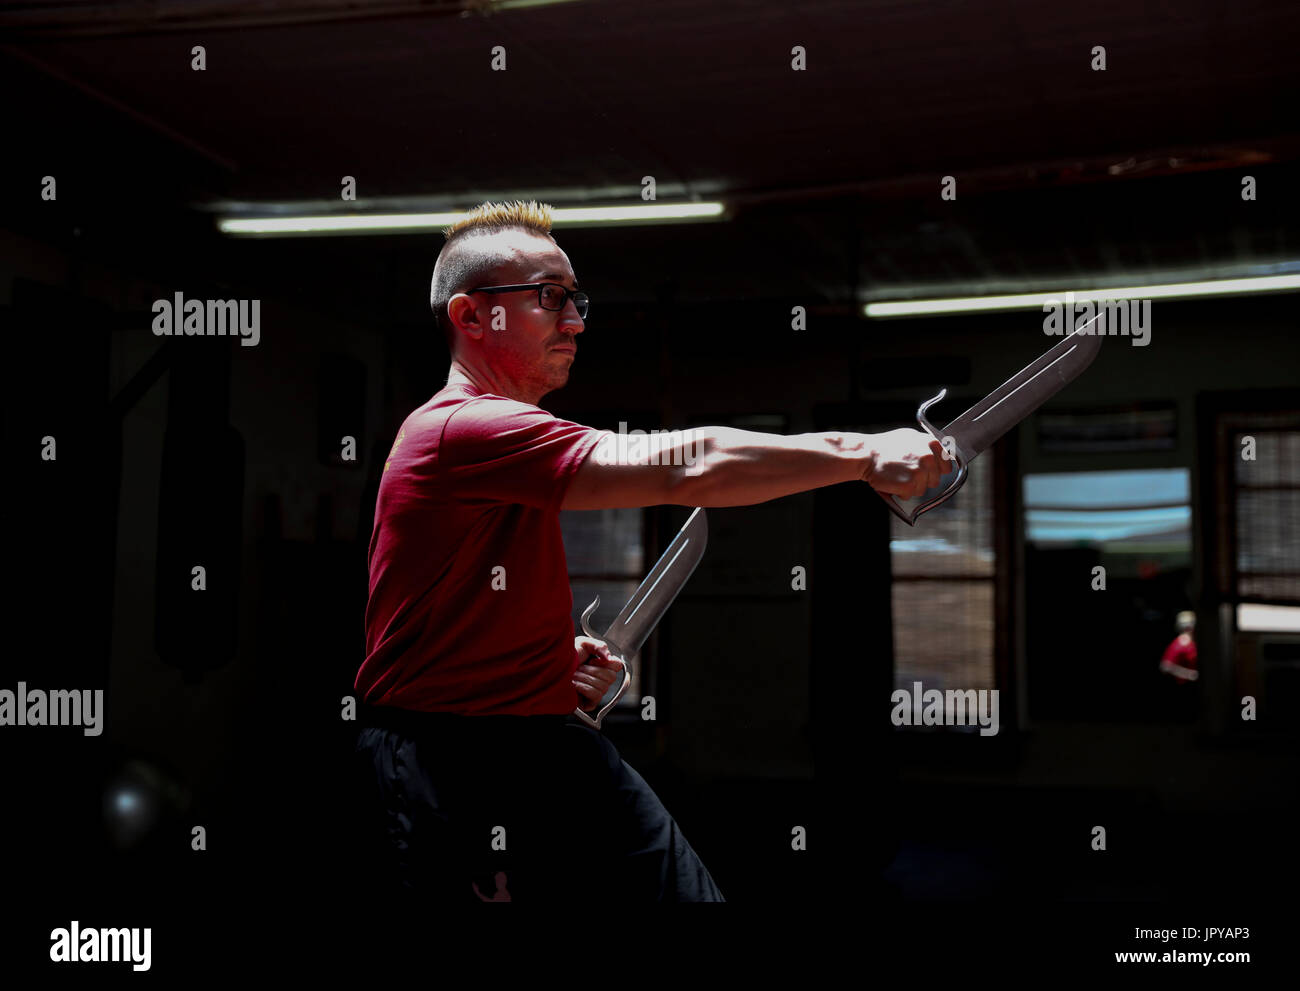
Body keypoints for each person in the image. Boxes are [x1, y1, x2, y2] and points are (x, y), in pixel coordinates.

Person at [351, 199, 949, 904]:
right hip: (452, 760)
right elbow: (680, 468)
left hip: (548, 741)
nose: (575, 321)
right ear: (471, 316)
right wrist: (864, 451)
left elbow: (468, 598)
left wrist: (545, 661)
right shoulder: (458, 429)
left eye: (577, 300)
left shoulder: (510, 441)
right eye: (549, 298)